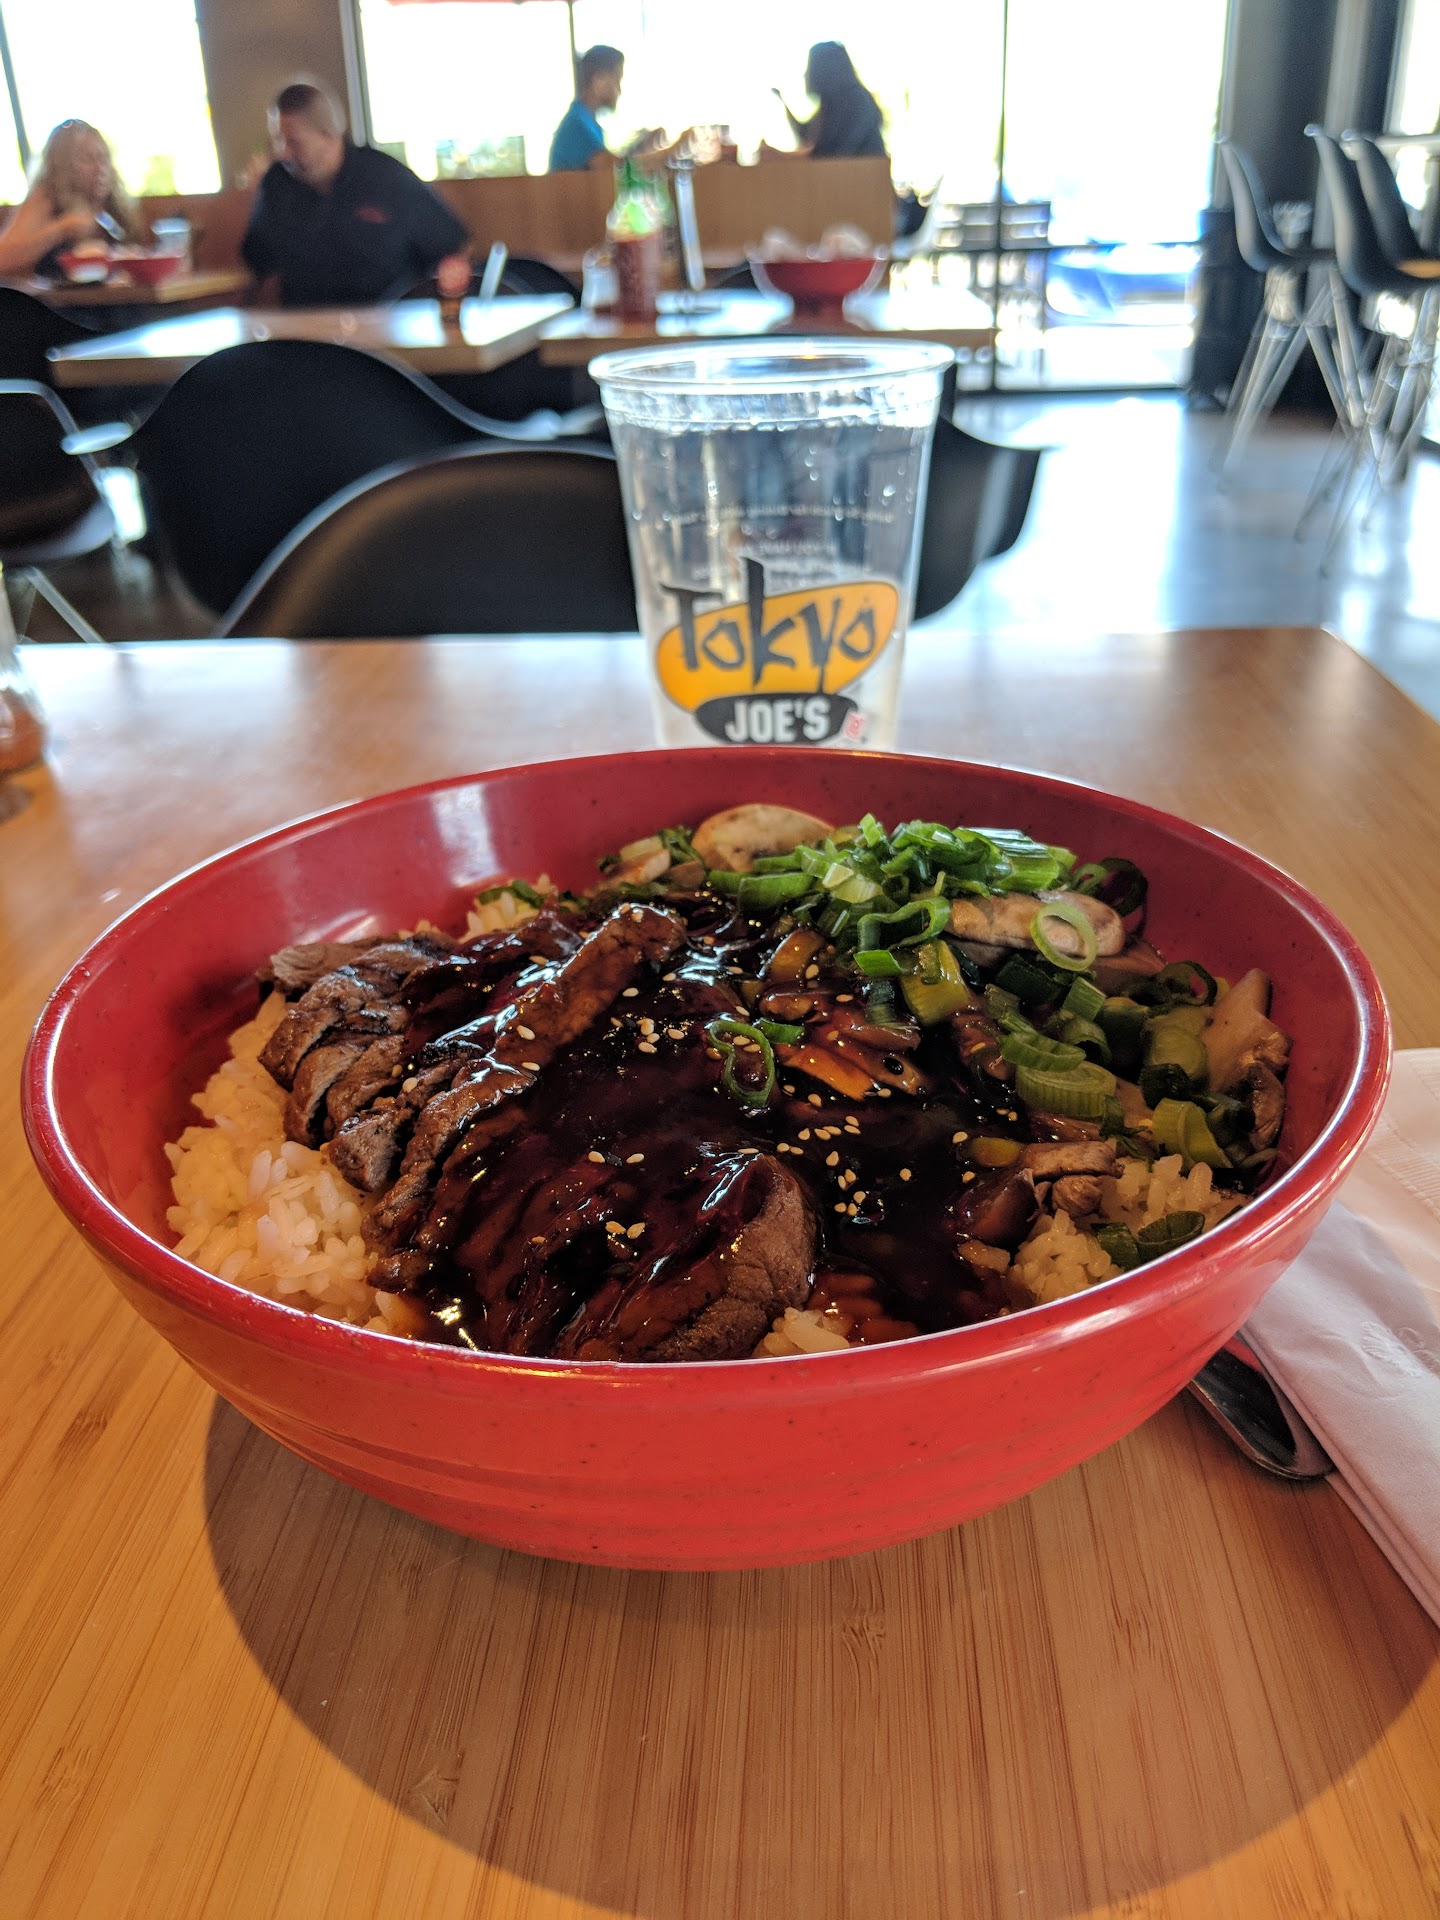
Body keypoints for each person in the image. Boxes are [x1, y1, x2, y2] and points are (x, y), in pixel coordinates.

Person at [241, 80, 471, 308]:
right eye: (278, 141)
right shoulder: (276, 184)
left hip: (387, 320)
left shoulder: (387, 177)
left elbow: (452, 247)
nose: (283, 154)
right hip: (306, 324)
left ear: (329, 135)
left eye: (294, 143)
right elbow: (257, 263)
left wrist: (449, 276)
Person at [0, 119, 147, 280]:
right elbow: (3, 259)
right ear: (63, 165)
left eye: (103, 159)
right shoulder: (46, 198)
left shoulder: (112, 207)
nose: (100, 169)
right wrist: (61, 229)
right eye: (88, 159)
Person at [548, 45, 690, 175]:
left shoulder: (586, 120)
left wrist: (644, 144)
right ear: (599, 80)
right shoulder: (578, 124)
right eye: (617, 80)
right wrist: (672, 150)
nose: (619, 90)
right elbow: (618, 169)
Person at [765, 42, 888, 161]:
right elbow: (806, 134)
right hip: (852, 172)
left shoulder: (854, 101)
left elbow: (829, 154)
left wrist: (780, 156)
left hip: (862, 173)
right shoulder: (834, 104)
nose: (806, 74)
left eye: (810, 67)